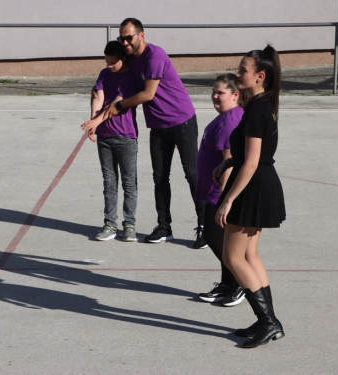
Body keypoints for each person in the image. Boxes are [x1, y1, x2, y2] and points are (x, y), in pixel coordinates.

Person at [103, 18, 206, 247]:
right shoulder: (129, 57)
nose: (126, 42)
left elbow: (148, 94)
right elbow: (115, 68)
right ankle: (164, 226)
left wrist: (119, 105)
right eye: (122, 38)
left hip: (182, 121)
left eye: (129, 37)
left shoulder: (155, 56)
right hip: (158, 125)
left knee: (192, 175)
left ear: (141, 34)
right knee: (160, 177)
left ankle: (204, 226)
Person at [214, 45, 286, 348]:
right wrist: (229, 161)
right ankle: (267, 321)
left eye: (243, 70)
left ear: (260, 76)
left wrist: (229, 199)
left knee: (232, 256)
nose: (238, 73)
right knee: (249, 255)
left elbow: (254, 161)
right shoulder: (263, 103)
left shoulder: (255, 110)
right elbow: (249, 155)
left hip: (253, 187)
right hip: (259, 184)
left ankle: (268, 322)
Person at [195, 74, 246, 307]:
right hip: (213, 190)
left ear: (235, 95)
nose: (215, 96)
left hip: (219, 192)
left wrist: (224, 198)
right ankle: (227, 283)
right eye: (213, 91)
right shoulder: (227, 117)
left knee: (215, 237)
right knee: (218, 239)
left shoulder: (228, 122)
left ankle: (239, 282)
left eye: (221, 92)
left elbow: (229, 161)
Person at [81, 41, 139, 242]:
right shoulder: (105, 74)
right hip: (105, 138)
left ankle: (129, 225)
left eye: (113, 62)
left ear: (123, 59)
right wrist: (93, 123)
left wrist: (95, 122)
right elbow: (98, 96)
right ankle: (110, 224)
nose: (109, 66)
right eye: (107, 62)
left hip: (126, 137)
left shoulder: (132, 78)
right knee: (109, 182)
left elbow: (116, 104)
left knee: (129, 183)